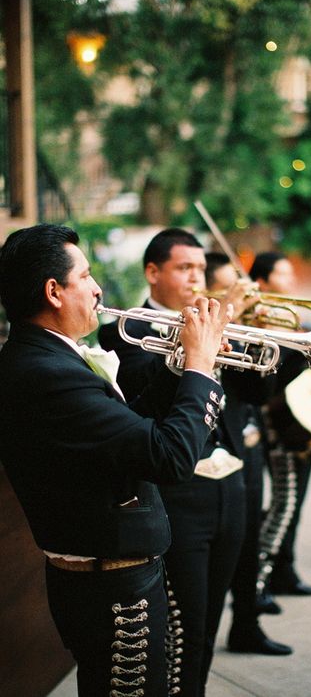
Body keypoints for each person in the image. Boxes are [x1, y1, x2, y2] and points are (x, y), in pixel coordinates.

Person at [0, 224, 231, 697]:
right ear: (54, 291)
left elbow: (129, 431)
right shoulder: (45, 372)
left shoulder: (48, 358)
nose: (97, 288)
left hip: (118, 580)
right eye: (85, 276)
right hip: (115, 595)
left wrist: (178, 366)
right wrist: (200, 368)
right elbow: (169, 458)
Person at [99, 231, 290, 696]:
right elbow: (143, 396)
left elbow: (259, 393)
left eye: (201, 270)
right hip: (181, 495)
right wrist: (205, 335)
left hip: (231, 486)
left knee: (207, 623)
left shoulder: (216, 320)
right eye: (185, 268)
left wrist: (283, 340)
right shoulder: (126, 329)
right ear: (153, 273)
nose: (196, 278)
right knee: (181, 627)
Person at [204, 252, 293, 656]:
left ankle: (246, 623)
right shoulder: (208, 330)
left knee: (249, 539)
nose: (238, 296)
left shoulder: (241, 328)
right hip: (215, 457)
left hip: (250, 445)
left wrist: (286, 345)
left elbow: (263, 392)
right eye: (228, 288)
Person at [249, 251, 311, 601]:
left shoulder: (287, 318)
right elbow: (269, 373)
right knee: (284, 502)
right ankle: (256, 583)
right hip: (275, 421)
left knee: (295, 500)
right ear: (261, 281)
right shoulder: (258, 319)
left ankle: (284, 571)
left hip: (300, 419)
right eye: (282, 274)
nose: (291, 281)